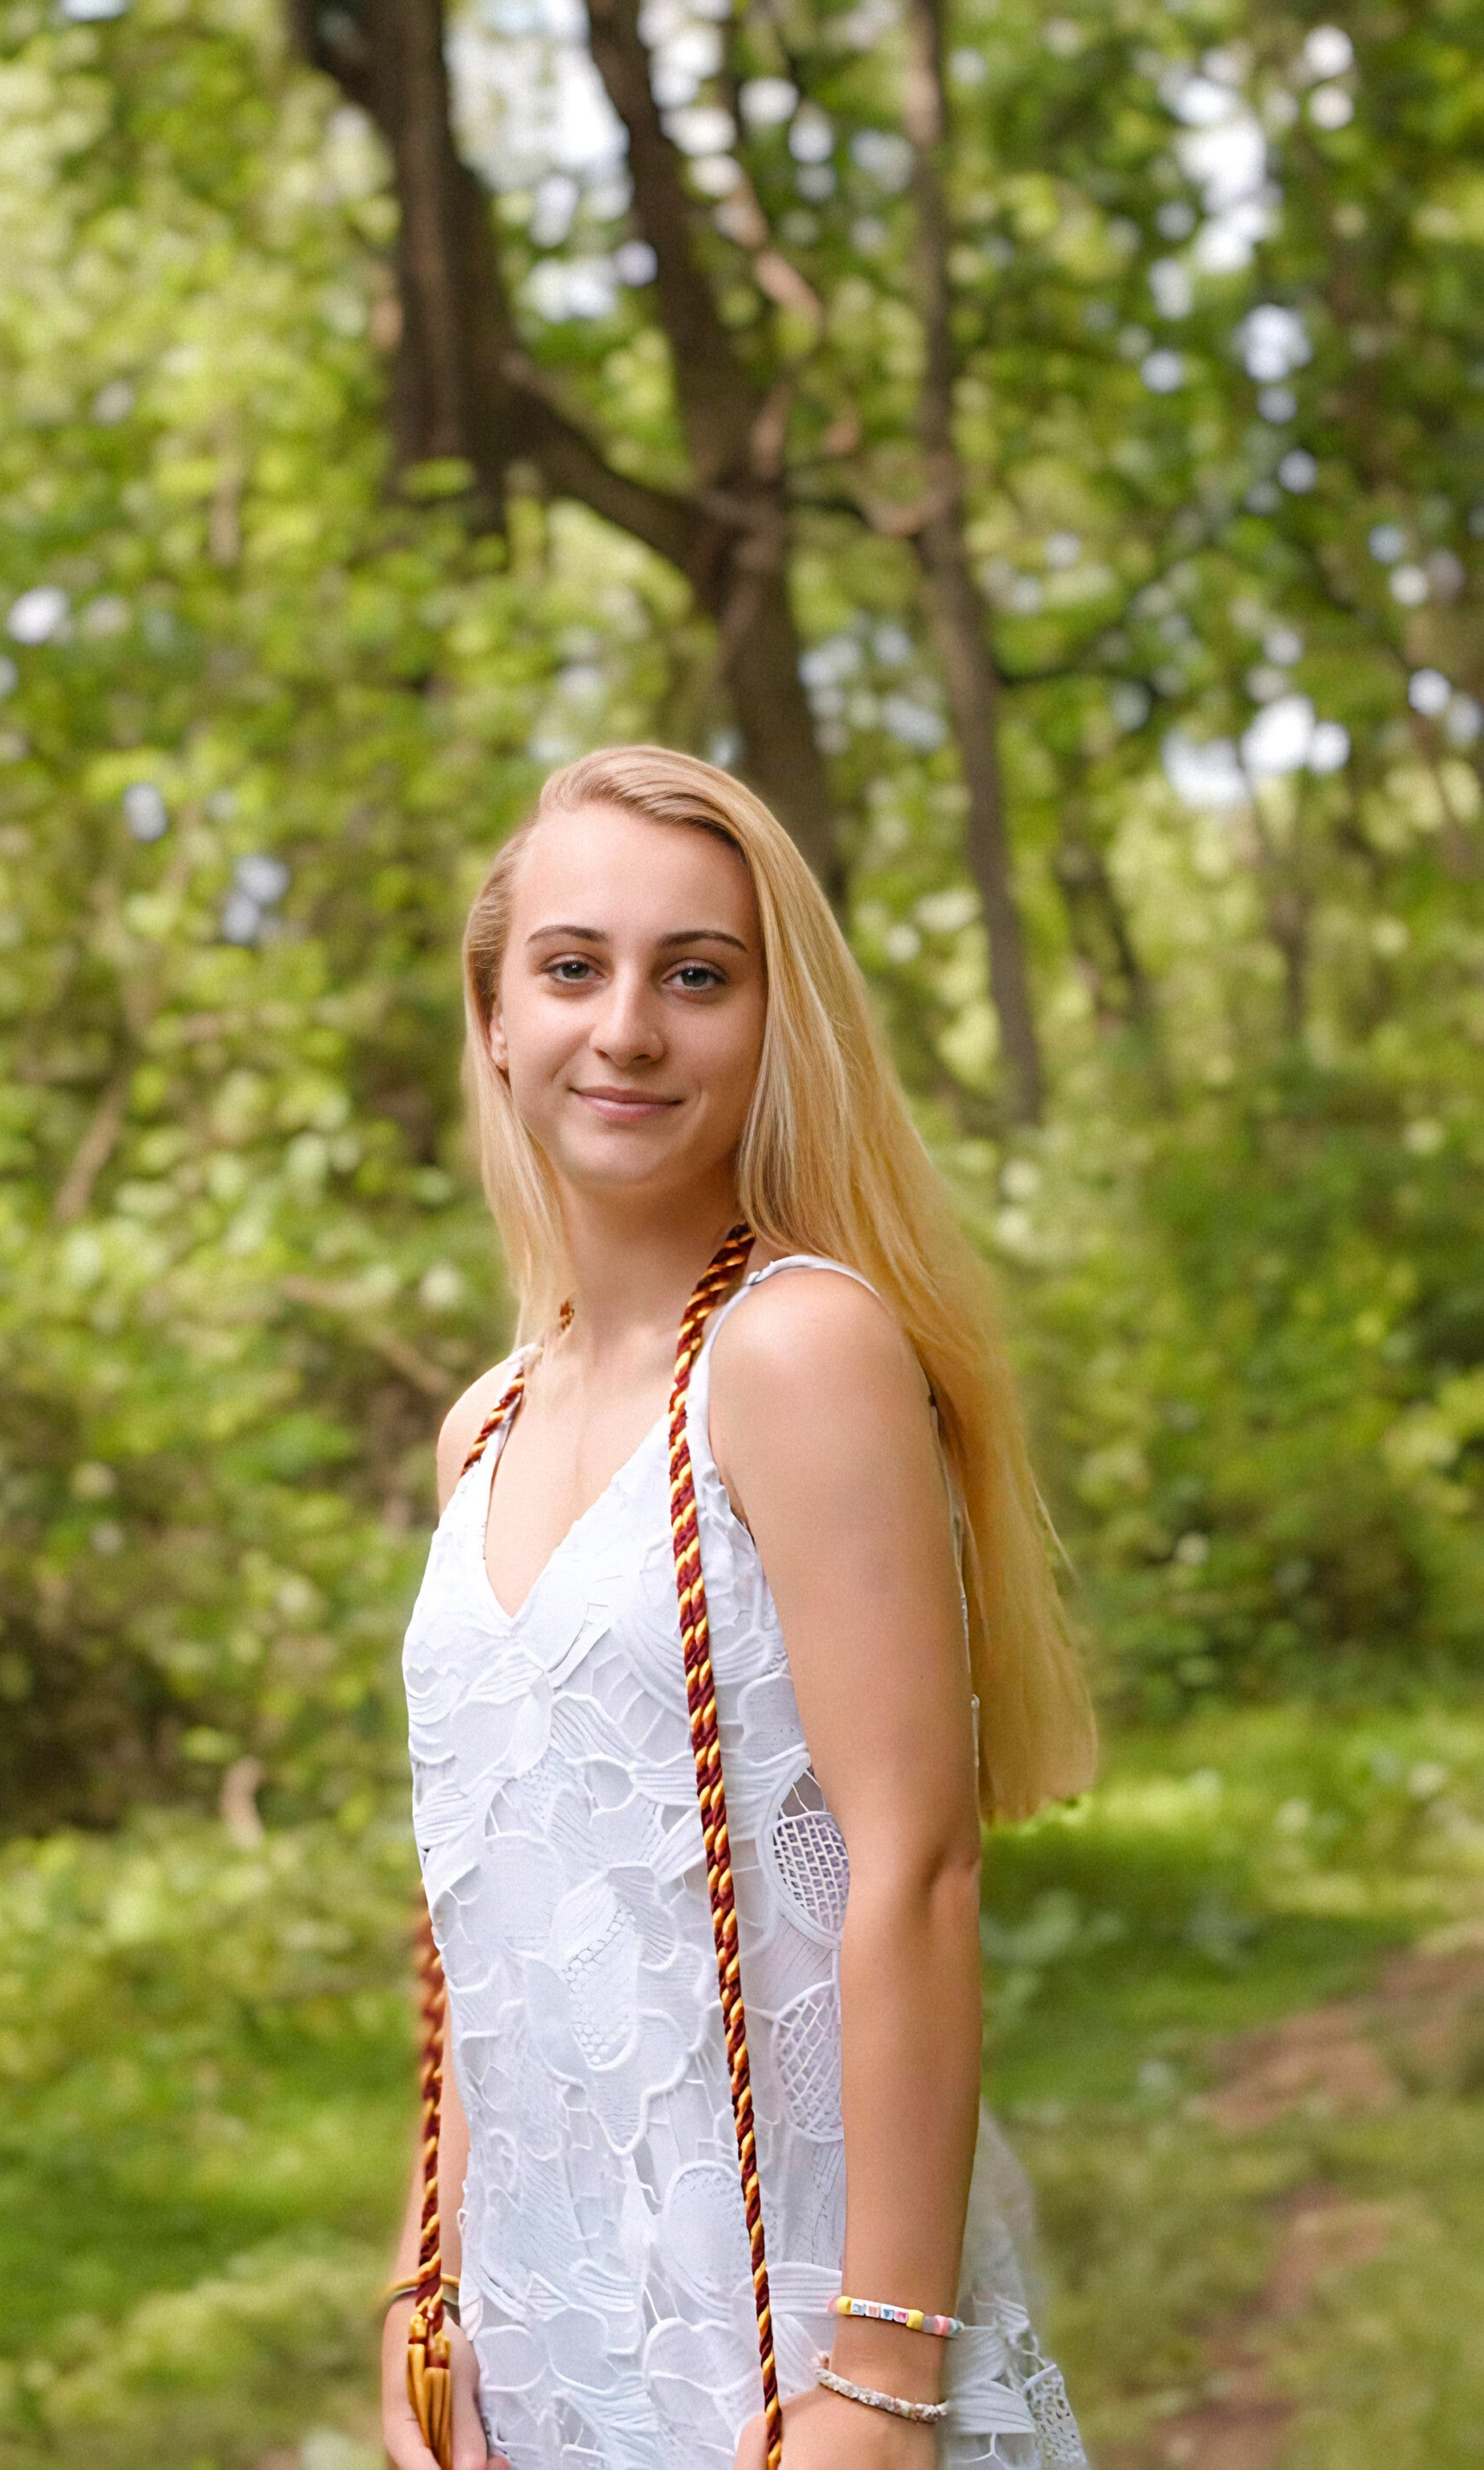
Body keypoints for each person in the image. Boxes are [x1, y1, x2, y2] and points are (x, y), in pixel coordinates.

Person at [380, 747, 1097, 2470]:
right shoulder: (480, 1425)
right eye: (573, 965)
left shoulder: (796, 1348)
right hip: (540, 2343)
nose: (627, 1025)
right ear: (493, 1017)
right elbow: (491, 1911)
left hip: (777, 2341)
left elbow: (914, 1869)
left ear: (776, 1022)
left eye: (695, 974)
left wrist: (881, 2380)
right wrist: (427, 2284)